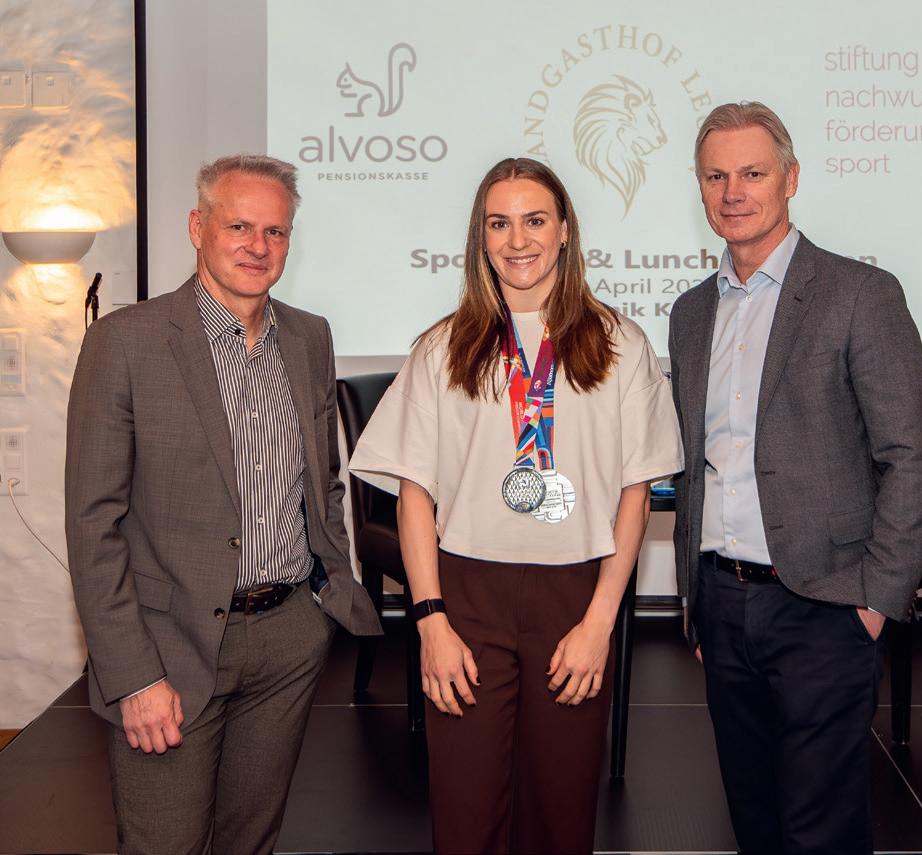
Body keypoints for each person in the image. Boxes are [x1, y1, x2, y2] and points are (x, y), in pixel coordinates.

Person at [348, 157, 683, 854]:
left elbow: (635, 493)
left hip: (576, 596)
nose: (518, 239)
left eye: (534, 220)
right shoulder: (443, 347)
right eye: (499, 223)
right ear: (481, 236)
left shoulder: (621, 345)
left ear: (564, 231)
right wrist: (430, 620)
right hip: (467, 597)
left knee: (560, 815)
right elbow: (415, 494)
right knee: (466, 816)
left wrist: (600, 622)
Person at [65, 154, 381, 855]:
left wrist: (321, 602)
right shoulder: (125, 342)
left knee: (251, 840)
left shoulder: (309, 336)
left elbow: (321, 480)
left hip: (288, 637)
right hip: (168, 647)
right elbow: (93, 527)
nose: (257, 246)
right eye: (239, 226)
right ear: (197, 227)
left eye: (275, 231)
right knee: (165, 844)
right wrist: (133, 675)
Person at [669, 102, 922, 855]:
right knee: (753, 822)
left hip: (827, 604)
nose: (734, 192)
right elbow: (699, 461)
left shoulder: (859, 294)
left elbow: (912, 456)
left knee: (821, 832)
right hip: (723, 604)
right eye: (716, 176)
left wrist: (875, 602)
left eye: (752, 173)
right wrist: (697, 602)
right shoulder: (691, 313)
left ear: (790, 179)